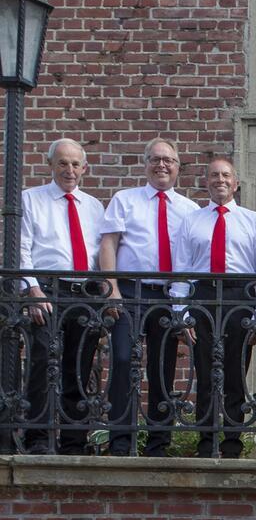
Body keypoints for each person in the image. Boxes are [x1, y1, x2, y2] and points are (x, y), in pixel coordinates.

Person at [97, 138, 198, 456]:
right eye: (155, 159)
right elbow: (109, 244)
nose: (162, 165)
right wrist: (110, 286)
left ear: (178, 168)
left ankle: (158, 443)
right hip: (129, 290)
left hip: (168, 295)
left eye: (168, 160)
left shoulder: (189, 210)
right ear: (145, 164)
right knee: (124, 360)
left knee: (162, 367)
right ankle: (120, 441)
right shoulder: (125, 199)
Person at [169, 157, 256, 458]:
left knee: (237, 372)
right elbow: (181, 269)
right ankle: (206, 442)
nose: (220, 180)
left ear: (235, 183)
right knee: (206, 371)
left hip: (239, 296)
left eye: (226, 175)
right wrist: (180, 312)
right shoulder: (192, 220)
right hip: (204, 297)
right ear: (206, 182)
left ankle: (234, 442)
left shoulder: (253, 220)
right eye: (214, 175)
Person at [15, 138, 104, 455]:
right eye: (63, 163)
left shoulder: (94, 206)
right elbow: (21, 247)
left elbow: (98, 256)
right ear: (50, 164)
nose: (69, 170)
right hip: (47, 289)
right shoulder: (31, 199)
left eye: (75, 164)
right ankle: (37, 437)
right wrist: (32, 288)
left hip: (84, 292)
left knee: (79, 368)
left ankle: (74, 441)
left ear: (84, 168)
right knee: (41, 363)